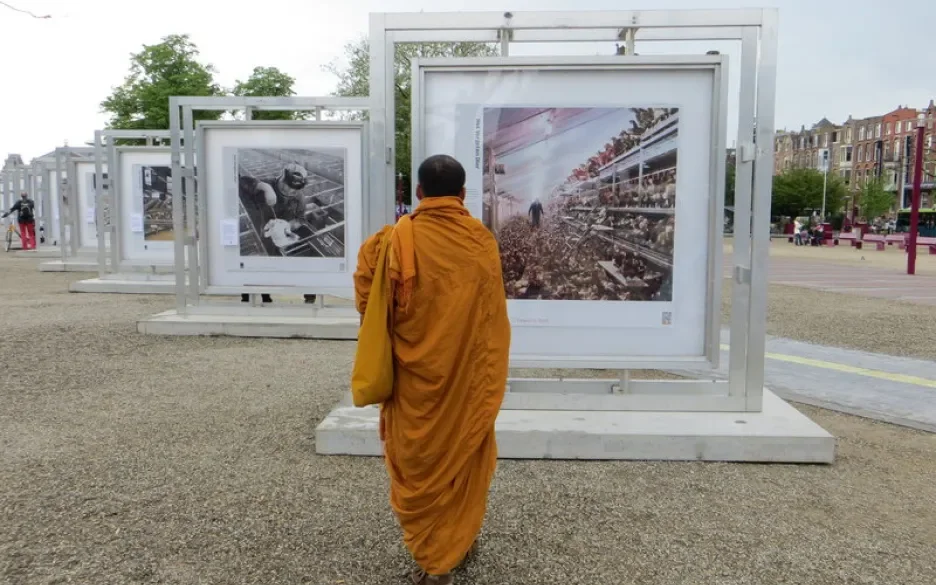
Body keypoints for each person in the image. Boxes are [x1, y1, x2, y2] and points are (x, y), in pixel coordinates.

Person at [353, 155, 511, 585]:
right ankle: (460, 534)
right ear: (462, 195)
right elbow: (491, 319)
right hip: (467, 381)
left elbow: (370, 307)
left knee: (420, 461)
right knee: (465, 452)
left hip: (414, 384)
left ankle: (438, 561)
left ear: (419, 193)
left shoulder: (387, 244)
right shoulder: (481, 242)